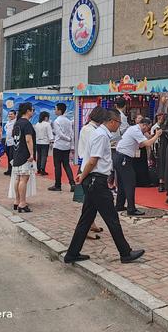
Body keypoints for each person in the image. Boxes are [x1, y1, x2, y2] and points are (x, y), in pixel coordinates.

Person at [64, 109, 145, 264]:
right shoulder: (101, 135)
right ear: (112, 121)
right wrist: (83, 175)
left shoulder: (98, 133)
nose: (119, 126)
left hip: (93, 180)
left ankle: (72, 253)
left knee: (86, 219)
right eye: (119, 123)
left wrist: (83, 175)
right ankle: (125, 253)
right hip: (97, 182)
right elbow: (93, 160)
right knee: (112, 219)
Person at [115, 118, 162, 216]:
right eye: (147, 128)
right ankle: (131, 208)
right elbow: (147, 144)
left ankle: (119, 205)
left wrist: (151, 137)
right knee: (130, 182)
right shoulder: (136, 130)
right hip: (124, 158)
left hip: (120, 157)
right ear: (144, 125)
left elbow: (140, 145)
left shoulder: (133, 129)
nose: (147, 130)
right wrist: (157, 135)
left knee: (122, 182)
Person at [76, 106, 108, 239]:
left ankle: (91, 223)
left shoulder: (90, 129)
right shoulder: (90, 130)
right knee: (87, 201)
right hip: (89, 168)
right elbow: (91, 155)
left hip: (88, 166)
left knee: (90, 202)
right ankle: (87, 227)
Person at [9, 102, 36, 213]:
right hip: (24, 154)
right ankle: (22, 203)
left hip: (16, 152)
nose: (33, 112)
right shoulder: (27, 124)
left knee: (18, 178)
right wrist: (31, 154)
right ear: (28, 111)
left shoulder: (17, 123)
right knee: (24, 179)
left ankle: (17, 200)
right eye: (32, 110)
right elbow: (28, 140)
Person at [49, 102, 76, 192]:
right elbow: (71, 133)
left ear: (60, 111)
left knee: (57, 166)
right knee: (66, 165)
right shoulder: (68, 121)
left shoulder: (56, 121)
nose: (54, 110)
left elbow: (59, 134)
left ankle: (58, 185)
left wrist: (67, 138)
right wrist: (70, 141)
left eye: (55, 109)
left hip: (58, 146)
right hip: (66, 147)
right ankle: (72, 183)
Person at [35, 111, 54, 176]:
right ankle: (42, 169)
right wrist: (52, 141)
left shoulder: (37, 124)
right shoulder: (47, 124)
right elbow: (50, 134)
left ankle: (38, 169)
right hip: (45, 142)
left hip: (38, 142)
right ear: (46, 117)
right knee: (44, 156)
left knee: (39, 156)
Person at [4, 110, 16, 176]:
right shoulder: (8, 122)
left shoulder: (16, 122)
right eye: (9, 114)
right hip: (7, 142)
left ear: (15, 115)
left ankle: (13, 171)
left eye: (11, 114)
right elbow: (6, 130)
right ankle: (9, 169)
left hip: (13, 142)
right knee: (8, 156)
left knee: (12, 157)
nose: (10, 115)